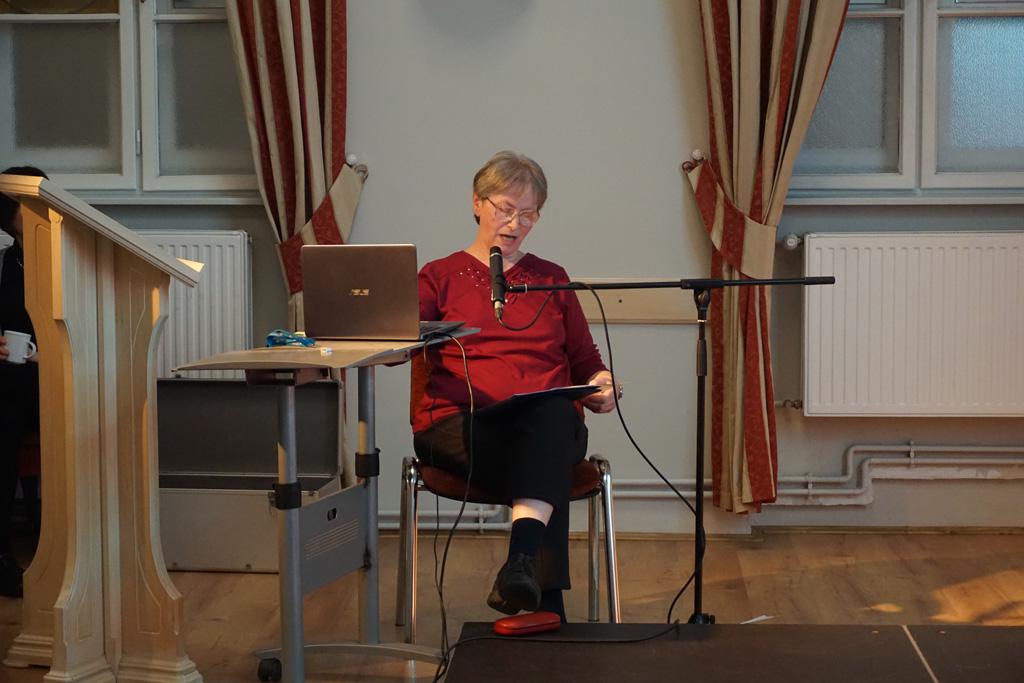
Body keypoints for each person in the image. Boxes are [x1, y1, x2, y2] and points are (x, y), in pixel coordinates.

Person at [413, 151, 621, 622]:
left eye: (528, 214)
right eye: (506, 209)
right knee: (544, 456)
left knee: (548, 414)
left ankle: (521, 568)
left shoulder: (551, 279)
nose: (515, 224)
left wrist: (602, 386)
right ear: (477, 203)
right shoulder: (438, 277)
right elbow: (398, 342)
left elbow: (588, 363)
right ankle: (536, 593)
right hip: (462, 426)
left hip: (546, 425)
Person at [0, 165, 47, 598]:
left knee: (7, 408)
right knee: (6, 409)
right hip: (17, 380)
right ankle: (2, 554)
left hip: (58, 376)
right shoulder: (9, 262)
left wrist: (41, 356)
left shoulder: (68, 255)